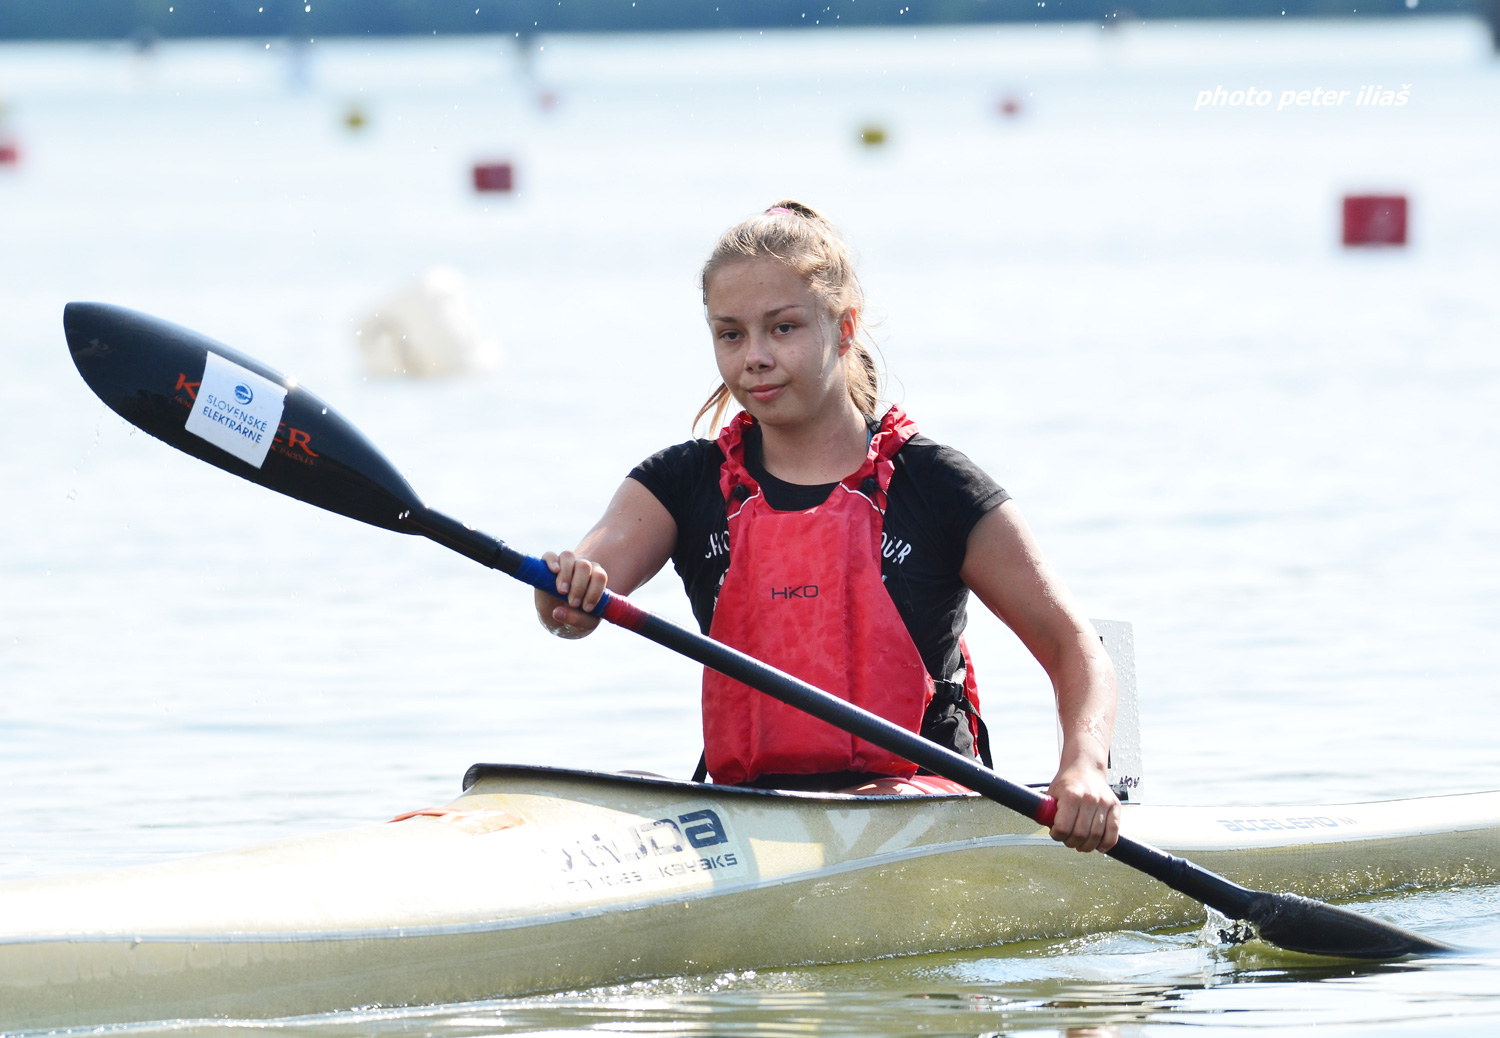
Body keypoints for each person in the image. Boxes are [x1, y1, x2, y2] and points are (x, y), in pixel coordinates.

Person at [535, 201, 1120, 854]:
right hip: (749, 813)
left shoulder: (937, 486)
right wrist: (567, 593)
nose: (755, 357)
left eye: (782, 328)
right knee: (608, 789)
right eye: (730, 335)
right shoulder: (680, 483)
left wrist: (1084, 767)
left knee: (884, 799)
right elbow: (575, 590)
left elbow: (1076, 647)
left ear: (844, 329)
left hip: (921, 807)